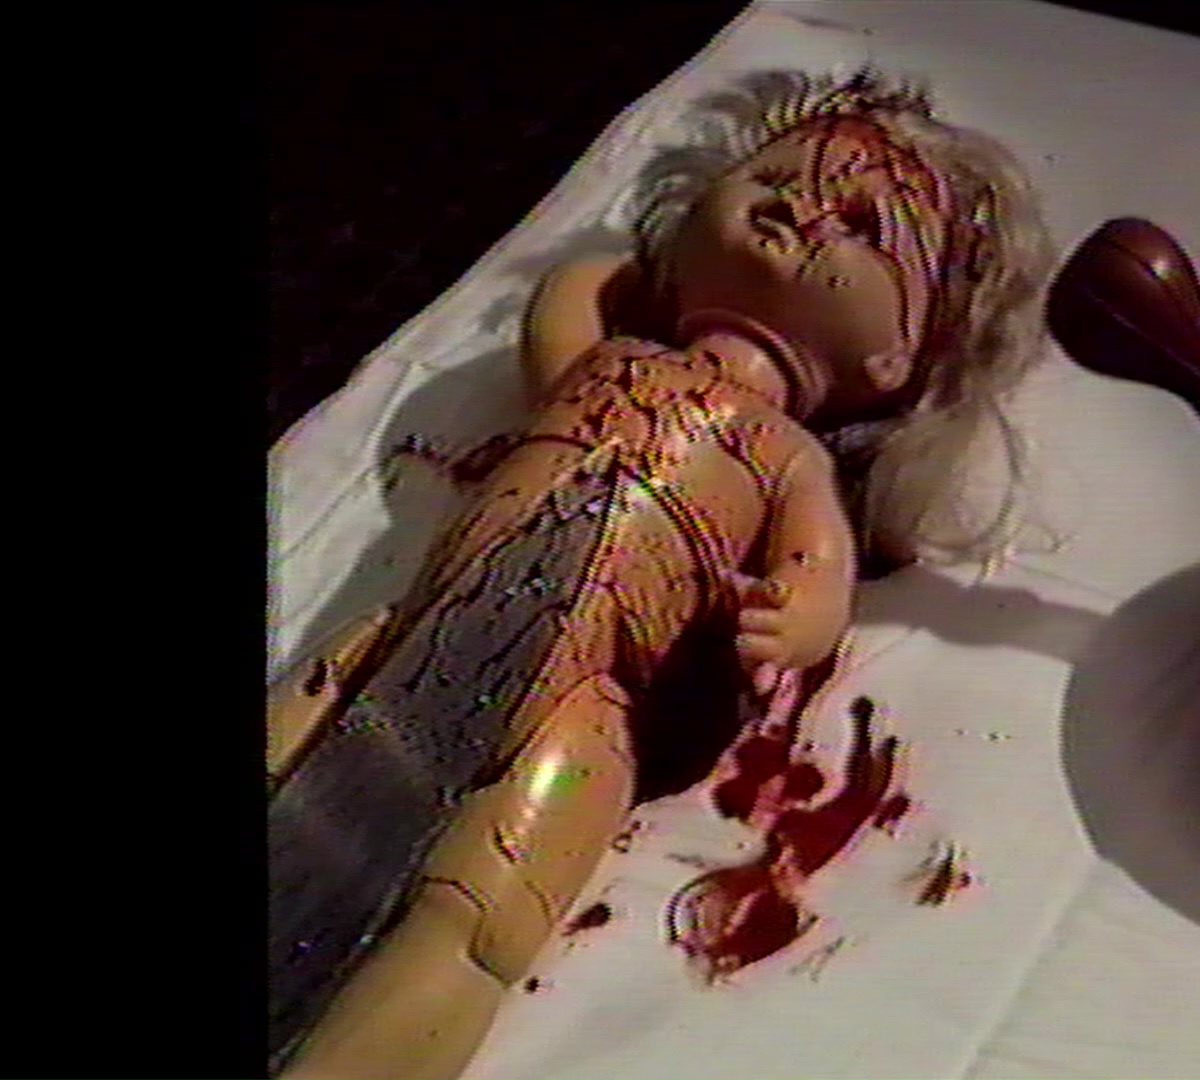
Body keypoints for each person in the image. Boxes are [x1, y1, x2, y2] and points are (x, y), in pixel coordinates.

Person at [267, 68, 1053, 1079]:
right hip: (405, 634)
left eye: (861, 225)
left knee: (477, 922)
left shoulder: (786, 457)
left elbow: (821, 568)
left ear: (902, 357)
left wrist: (798, 613)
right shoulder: (603, 361)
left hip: (582, 712)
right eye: (774, 176)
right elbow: (573, 292)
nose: (798, 210)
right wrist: (666, 257)